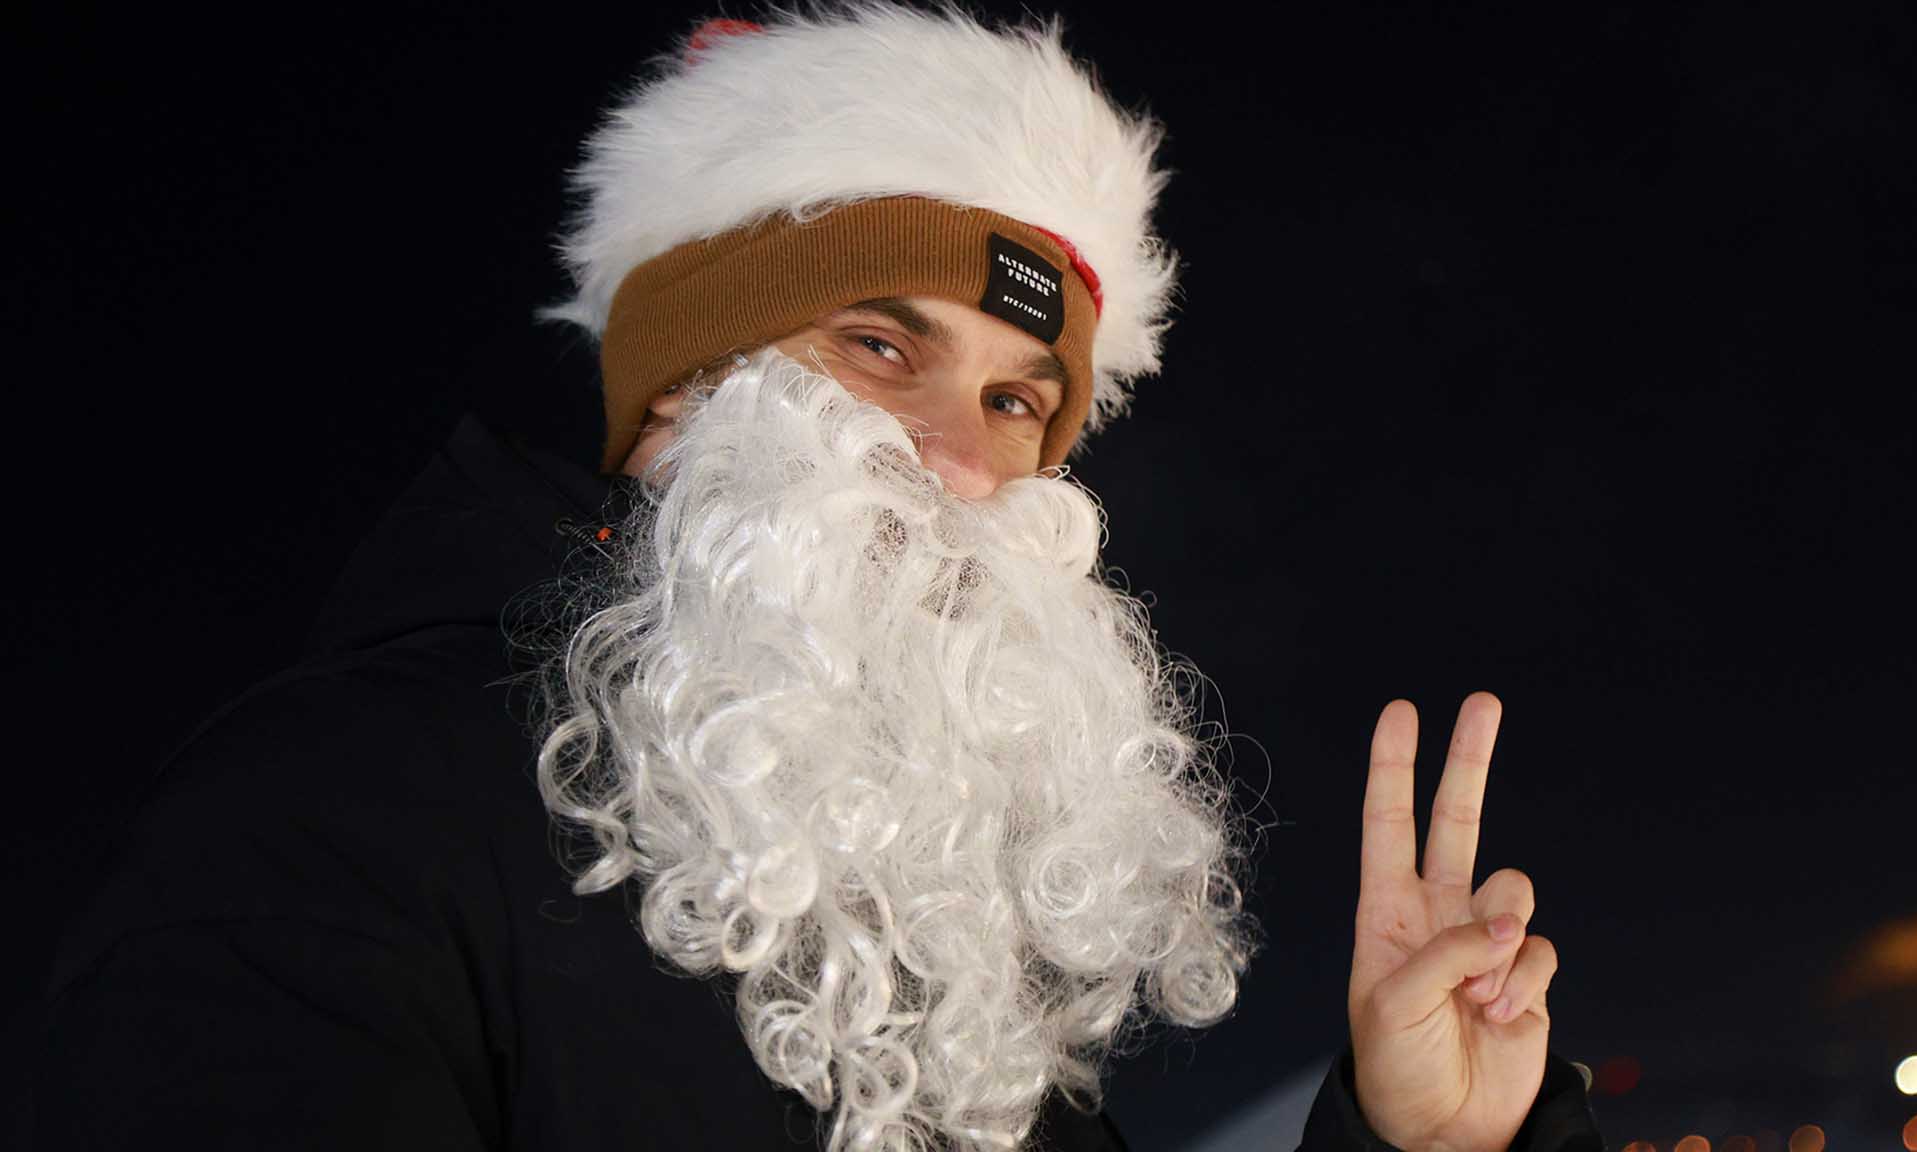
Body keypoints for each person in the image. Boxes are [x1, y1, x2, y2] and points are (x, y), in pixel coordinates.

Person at [33, 4, 1607, 1150]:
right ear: (682, 389)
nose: (963, 461)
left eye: (1016, 400)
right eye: (878, 349)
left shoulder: (926, 933)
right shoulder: (335, 813)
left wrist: (1419, 1145)